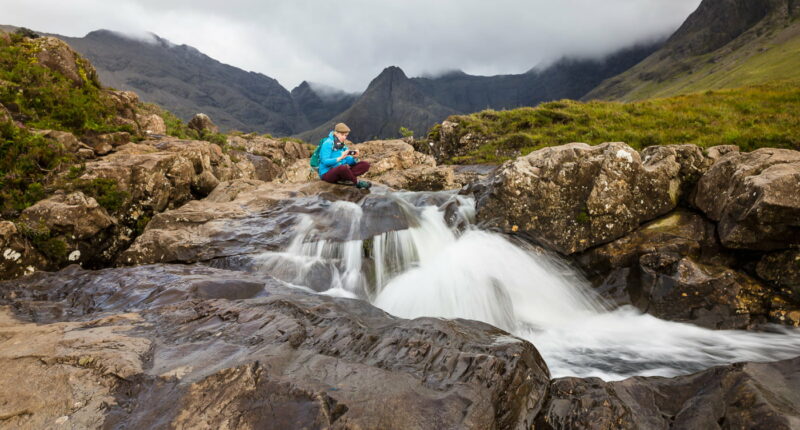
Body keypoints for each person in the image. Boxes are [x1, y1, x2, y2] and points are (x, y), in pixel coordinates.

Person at [318, 123, 371, 189]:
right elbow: (325, 161)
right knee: (342, 168)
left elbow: (348, 160)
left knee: (365, 164)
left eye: (345, 135)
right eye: (342, 135)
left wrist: (354, 158)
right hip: (327, 173)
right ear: (336, 133)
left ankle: (346, 178)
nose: (344, 137)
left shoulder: (342, 145)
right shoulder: (327, 143)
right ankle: (357, 182)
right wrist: (340, 158)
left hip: (342, 171)